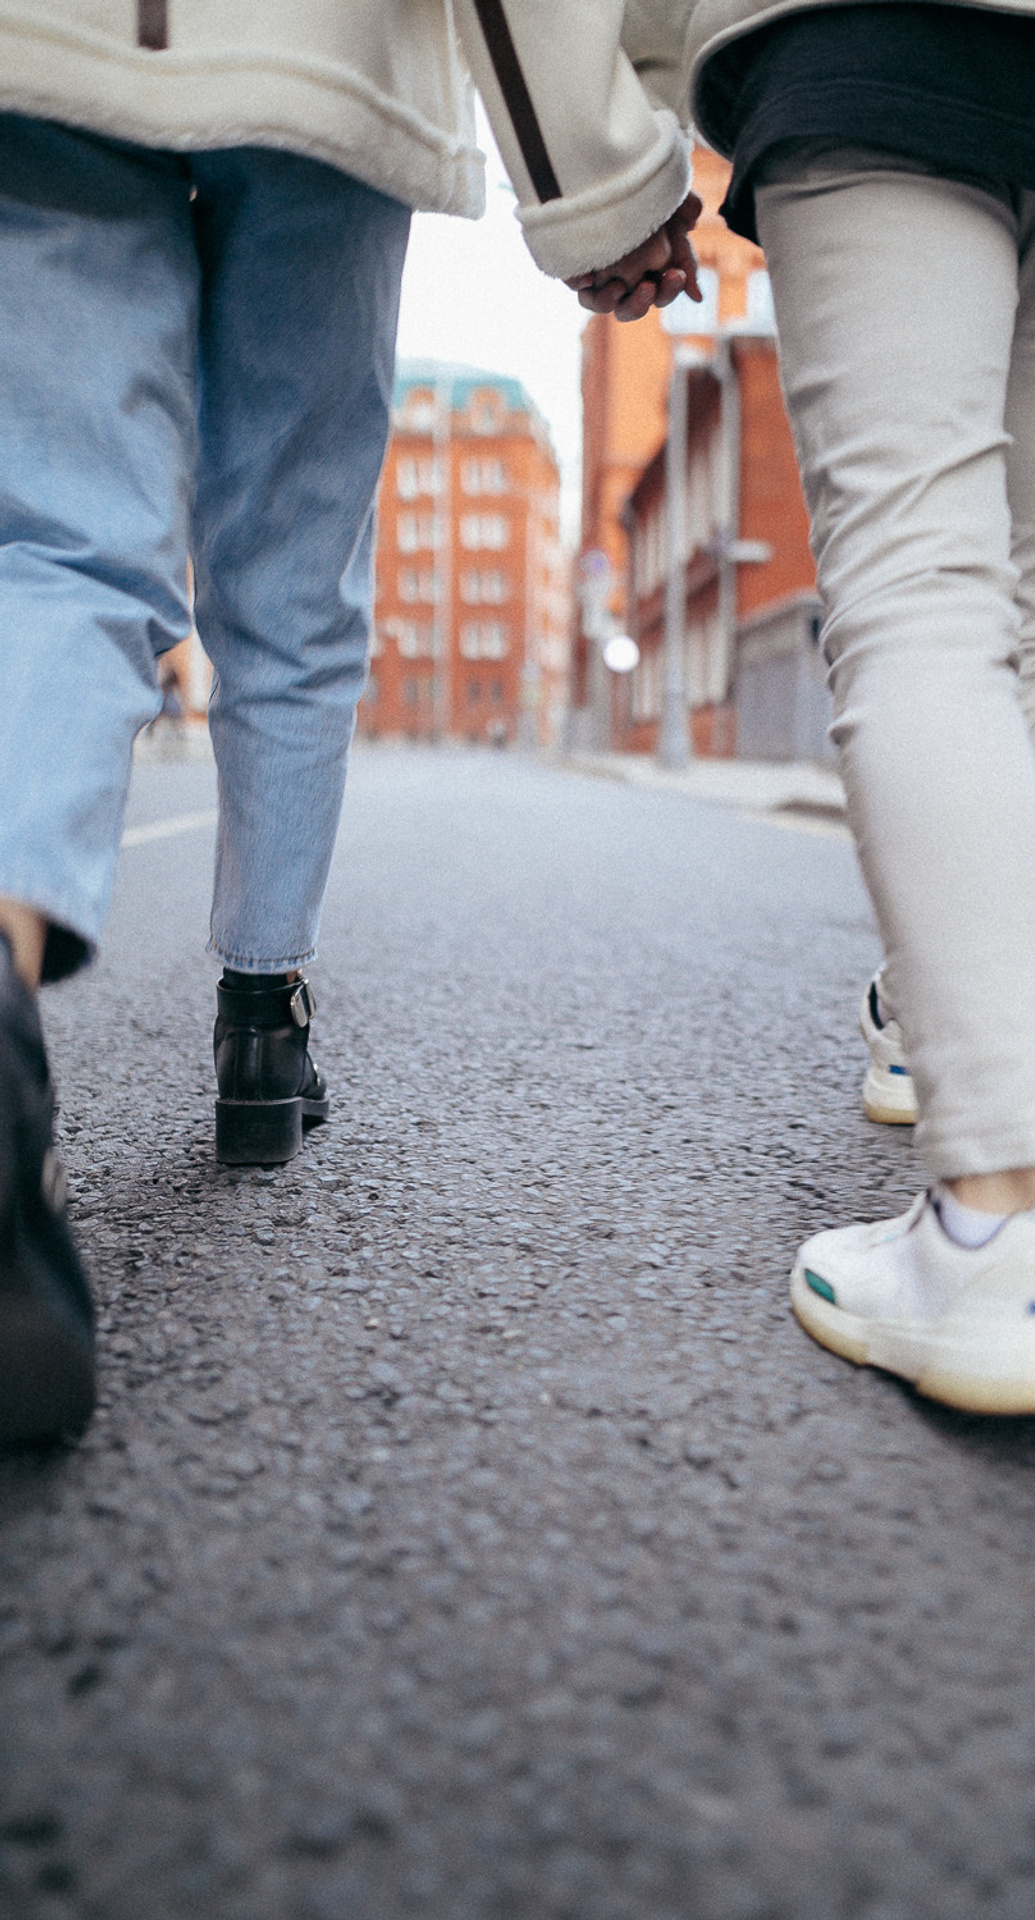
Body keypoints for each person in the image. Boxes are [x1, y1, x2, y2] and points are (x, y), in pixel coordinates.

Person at [560, 0, 1035, 1412]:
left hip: (878, 47)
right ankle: (918, 1020)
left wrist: (610, 154)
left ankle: (1000, 1224)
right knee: (1004, 595)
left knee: (916, 590)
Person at [0, 0, 700, 1447]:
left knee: (63, 542)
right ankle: (265, 1024)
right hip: (324, 63)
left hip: (45, 43)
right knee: (294, 578)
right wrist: (597, 186)